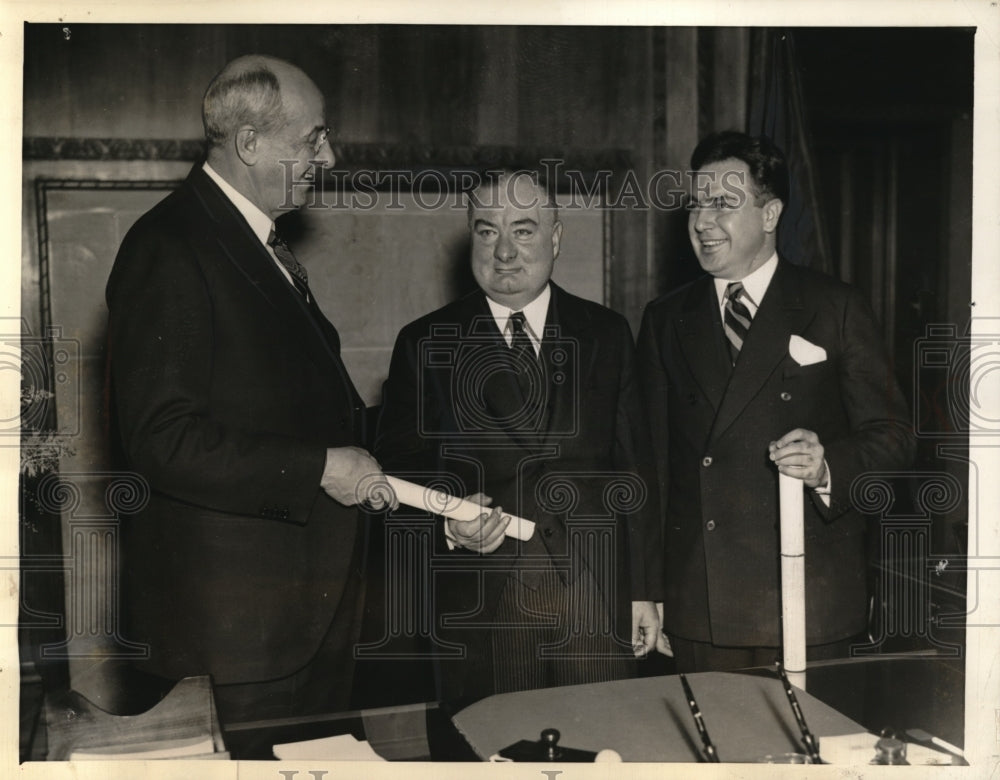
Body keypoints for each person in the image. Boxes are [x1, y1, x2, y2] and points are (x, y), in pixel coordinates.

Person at [105, 55, 394, 721]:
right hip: (235, 639)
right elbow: (163, 439)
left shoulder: (251, 239)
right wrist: (322, 467)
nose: (329, 156)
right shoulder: (170, 246)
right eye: (313, 137)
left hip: (293, 622)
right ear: (249, 143)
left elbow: (304, 411)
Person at [375, 171, 663, 707]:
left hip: (593, 595)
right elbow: (396, 469)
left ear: (555, 238)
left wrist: (645, 590)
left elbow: (634, 468)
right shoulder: (424, 341)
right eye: (487, 232)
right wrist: (448, 518)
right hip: (481, 602)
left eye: (523, 231)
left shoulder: (606, 333)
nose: (504, 251)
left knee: (600, 751)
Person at [637, 131, 915, 673]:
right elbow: (651, 467)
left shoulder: (834, 306)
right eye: (696, 203)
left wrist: (828, 464)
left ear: (771, 215)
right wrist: (646, 591)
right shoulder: (665, 319)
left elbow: (894, 434)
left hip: (806, 599)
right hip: (701, 606)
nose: (701, 221)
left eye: (723, 203)